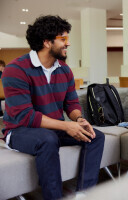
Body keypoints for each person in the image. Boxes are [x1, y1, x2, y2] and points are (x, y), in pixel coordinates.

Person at [2, 15, 105, 200]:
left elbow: (71, 104)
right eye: (63, 39)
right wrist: (67, 126)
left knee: (96, 136)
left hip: (51, 128)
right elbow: (26, 116)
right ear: (47, 42)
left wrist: (79, 120)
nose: (68, 43)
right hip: (19, 131)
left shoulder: (64, 70)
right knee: (47, 139)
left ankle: (83, 193)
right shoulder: (15, 69)